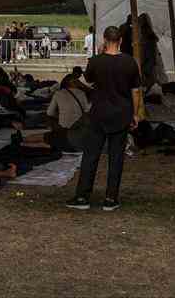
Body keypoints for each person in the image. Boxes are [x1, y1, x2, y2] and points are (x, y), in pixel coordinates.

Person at [67, 25, 141, 211]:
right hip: (121, 113)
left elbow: (85, 82)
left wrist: (99, 55)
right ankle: (111, 198)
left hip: (99, 113)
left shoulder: (96, 61)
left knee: (90, 155)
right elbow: (136, 91)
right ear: (121, 41)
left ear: (104, 40)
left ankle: (82, 197)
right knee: (116, 157)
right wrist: (136, 113)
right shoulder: (130, 62)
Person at [43, 73, 90, 151]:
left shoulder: (58, 93)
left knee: (45, 137)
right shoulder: (82, 93)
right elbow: (86, 111)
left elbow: (49, 113)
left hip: (63, 129)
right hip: (78, 131)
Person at [136, 13, 160, 90]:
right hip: (148, 60)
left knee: (149, 79)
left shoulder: (147, 34)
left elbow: (149, 53)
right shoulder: (145, 33)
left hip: (148, 60)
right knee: (149, 79)